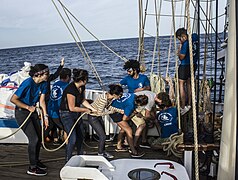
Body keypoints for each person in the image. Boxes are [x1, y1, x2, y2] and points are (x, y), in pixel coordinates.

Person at [10, 64, 50, 176]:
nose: (48, 75)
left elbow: (42, 101)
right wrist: (27, 107)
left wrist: (45, 116)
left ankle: (36, 161)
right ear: (39, 74)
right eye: (46, 74)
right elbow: (13, 99)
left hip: (32, 112)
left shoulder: (44, 83)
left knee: (39, 138)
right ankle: (32, 168)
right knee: (34, 139)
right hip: (22, 112)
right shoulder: (27, 83)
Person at [59, 69, 96, 162]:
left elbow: (82, 100)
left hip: (76, 113)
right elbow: (72, 107)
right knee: (73, 138)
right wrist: (86, 110)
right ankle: (68, 160)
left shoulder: (82, 87)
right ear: (82, 79)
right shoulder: (70, 89)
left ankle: (80, 156)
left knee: (80, 135)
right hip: (66, 114)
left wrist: (92, 108)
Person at [89, 84, 125, 159]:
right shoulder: (103, 99)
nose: (120, 97)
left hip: (98, 118)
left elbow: (108, 107)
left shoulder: (110, 98)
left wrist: (120, 110)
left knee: (103, 135)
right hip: (93, 117)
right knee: (103, 136)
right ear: (115, 94)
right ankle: (100, 154)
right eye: (120, 95)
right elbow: (99, 113)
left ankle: (103, 151)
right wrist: (111, 112)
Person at [109, 85, 145, 158]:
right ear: (138, 103)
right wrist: (132, 115)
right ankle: (133, 151)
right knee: (129, 130)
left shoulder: (133, 95)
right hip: (115, 113)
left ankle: (119, 146)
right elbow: (125, 119)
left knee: (123, 129)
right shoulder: (130, 105)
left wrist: (135, 113)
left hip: (115, 108)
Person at [45, 68, 71, 145]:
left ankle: (42, 140)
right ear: (68, 77)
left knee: (50, 126)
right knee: (67, 128)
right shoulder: (67, 86)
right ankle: (68, 145)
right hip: (57, 112)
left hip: (50, 109)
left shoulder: (56, 83)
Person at [176, 28, 199, 115]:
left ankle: (182, 106)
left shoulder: (185, 44)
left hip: (185, 65)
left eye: (179, 39)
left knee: (181, 84)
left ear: (182, 37)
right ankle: (189, 104)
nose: (179, 40)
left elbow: (181, 57)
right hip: (194, 64)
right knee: (189, 83)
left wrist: (180, 48)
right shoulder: (195, 37)